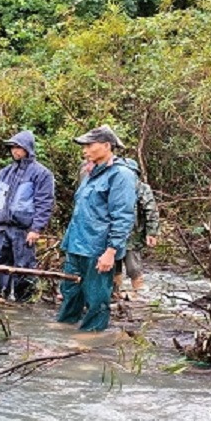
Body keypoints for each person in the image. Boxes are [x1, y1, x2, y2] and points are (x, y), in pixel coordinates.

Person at [56, 125, 136, 331]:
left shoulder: (121, 175)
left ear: (107, 146)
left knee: (97, 299)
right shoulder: (89, 172)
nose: (85, 150)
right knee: (70, 293)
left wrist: (111, 251)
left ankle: (91, 339)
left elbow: (123, 216)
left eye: (89, 145)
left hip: (97, 248)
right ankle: (63, 332)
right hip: (76, 245)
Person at [0, 130, 55, 301]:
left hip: (23, 228)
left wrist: (36, 228)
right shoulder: (5, 172)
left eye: (18, 147)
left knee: (23, 265)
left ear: (28, 148)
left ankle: (24, 300)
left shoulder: (42, 174)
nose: (14, 151)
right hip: (2, 226)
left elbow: (44, 203)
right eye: (12, 147)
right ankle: (0, 295)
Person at [113, 157, 160, 301]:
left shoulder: (141, 188)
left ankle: (139, 293)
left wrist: (151, 232)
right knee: (114, 266)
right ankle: (115, 293)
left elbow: (151, 210)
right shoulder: (112, 186)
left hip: (132, 234)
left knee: (133, 266)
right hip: (113, 233)